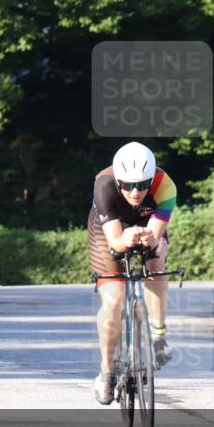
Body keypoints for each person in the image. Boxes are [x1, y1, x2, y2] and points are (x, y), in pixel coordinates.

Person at [87, 142, 176, 405]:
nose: (135, 192)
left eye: (142, 184)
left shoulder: (166, 185)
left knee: (157, 261)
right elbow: (114, 242)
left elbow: (156, 236)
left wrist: (148, 238)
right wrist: (125, 239)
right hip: (110, 228)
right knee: (114, 299)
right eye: (127, 185)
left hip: (146, 223)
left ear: (152, 178)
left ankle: (158, 335)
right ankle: (107, 370)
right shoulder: (104, 185)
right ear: (118, 180)